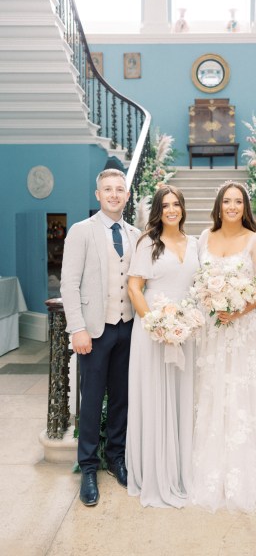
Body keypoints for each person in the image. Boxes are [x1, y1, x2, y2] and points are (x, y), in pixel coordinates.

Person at [191, 182, 256, 513]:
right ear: (219, 205)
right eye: (227, 201)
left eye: (238, 201)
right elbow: (198, 281)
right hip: (213, 329)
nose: (232, 206)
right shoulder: (204, 239)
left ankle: (248, 472)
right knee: (211, 392)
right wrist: (210, 301)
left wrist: (236, 309)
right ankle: (210, 468)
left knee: (241, 394)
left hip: (243, 328)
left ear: (245, 206)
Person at [60, 168, 140, 507]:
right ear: (98, 195)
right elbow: (69, 283)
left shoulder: (135, 234)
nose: (114, 194)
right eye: (107, 189)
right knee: (91, 401)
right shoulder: (82, 232)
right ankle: (89, 467)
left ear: (127, 195)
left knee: (122, 398)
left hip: (128, 328)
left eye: (119, 189)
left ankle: (116, 459)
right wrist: (77, 328)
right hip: (94, 331)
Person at [126, 184, 199, 508]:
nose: (172, 210)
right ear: (159, 210)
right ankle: (157, 471)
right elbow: (135, 288)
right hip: (154, 330)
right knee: (157, 396)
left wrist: (186, 321)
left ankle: (184, 468)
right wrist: (157, 324)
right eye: (166, 205)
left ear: (182, 209)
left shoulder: (195, 243)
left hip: (187, 328)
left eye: (176, 204)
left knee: (185, 395)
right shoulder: (147, 243)